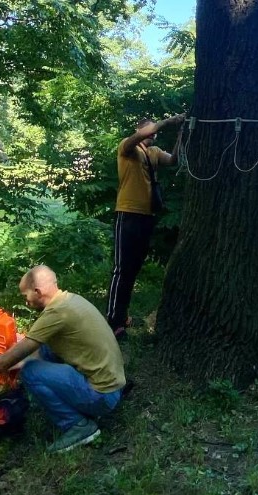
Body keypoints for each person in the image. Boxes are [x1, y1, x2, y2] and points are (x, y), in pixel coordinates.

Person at [0, 265, 126, 453]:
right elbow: (31, 354)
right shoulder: (69, 301)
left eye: (25, 296)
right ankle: (77, 405)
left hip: (102, 397)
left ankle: (77, 426)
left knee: (30, 372)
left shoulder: (55, 315)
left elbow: (4, 362)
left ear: (37, 291)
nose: (26, 302)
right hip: (113, 387)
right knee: (43, 349)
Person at [107, 114, 185, 339]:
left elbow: (174, 160)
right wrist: (167, 121)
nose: (154, 132)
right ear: (140, 128)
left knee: (133, 270)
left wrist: (180, 134)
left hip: (147, 216)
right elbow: (139, 136)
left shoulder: (154, 152)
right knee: (122, 269)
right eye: (150, 128)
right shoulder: (128, 147)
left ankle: (122, 317)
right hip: (128, 214)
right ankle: (113, 321)